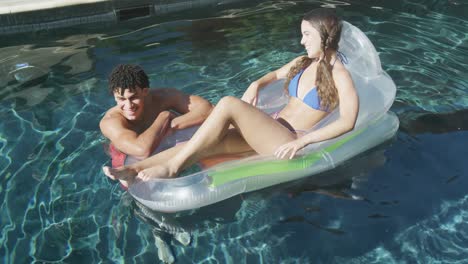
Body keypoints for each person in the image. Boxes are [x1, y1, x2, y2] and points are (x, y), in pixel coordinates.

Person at [103, 8, 359, 184]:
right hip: (271, 128)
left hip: (289, 140)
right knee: (196, 145)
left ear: (325, 36)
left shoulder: (340, 75)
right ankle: (133, 170)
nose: (301, 41)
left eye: (307, 35)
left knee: (227, 103)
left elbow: (348, 121)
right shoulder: (303, 62)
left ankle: (171, 168)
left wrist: (302, 143)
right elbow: (272, 76)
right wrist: (255, 84)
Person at [100, 64, 213, 186]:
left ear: (145, 91)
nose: (128, 105)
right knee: (128, 182)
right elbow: (141, 150)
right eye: (121, 99)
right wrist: (164, 116)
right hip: (127, 153)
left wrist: (174, 124)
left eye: (133, 97)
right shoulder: (110, 122)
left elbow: (208, 109)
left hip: (161, 143)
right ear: (114, 96)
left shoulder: (162, 97)